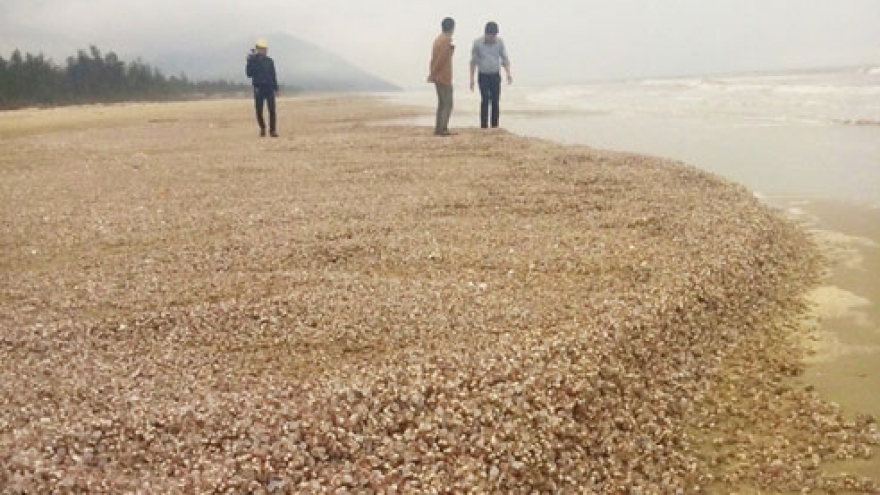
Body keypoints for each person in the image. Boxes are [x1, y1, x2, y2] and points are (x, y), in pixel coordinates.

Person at [470, 22, 512, 129]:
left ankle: (494, 125)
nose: (493, 38)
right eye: (491, 35)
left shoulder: (499, 42)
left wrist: (508, 73)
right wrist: (471, 78)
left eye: (495, 35)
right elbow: (473, 61)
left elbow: (504, 58)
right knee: (485, 98)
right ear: (486, 34)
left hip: (495, 75)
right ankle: (484, 125)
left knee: (495, 100)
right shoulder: (477, 43)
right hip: (483, 75)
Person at [428, 17, 456, 136]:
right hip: (443, 76)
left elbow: (435, 59)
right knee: (447, 103)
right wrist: (433, 74)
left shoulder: (438, 39)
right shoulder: (445, 39)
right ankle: (442, 129)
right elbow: (441, 59)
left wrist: (432, 73)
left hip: (439, 75)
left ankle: (439, 128)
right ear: (451, 27)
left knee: (442, 103)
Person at [246, 39, 279, 138]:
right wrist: (250, 62)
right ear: (257, 49)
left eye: (265, 49)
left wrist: (276, 88)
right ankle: (262, 128)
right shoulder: (252, 60)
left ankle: (272, 130)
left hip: (269, 88)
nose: (263, 50)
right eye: (261, 49)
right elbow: (249, 74)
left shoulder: (270, 61)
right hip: (258, 88)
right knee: (259, 110)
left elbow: (273, 75)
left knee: (272, 110)